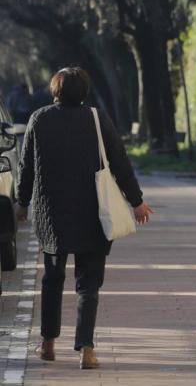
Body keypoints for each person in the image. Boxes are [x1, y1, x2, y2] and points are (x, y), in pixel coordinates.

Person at [15, 67, 153, 369]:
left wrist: (23, 203)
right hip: (93, 212)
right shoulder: (96, 118)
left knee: (52, 279)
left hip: (52, 212)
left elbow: (27, 166)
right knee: (88, 285)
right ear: (85, 92)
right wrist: (137, 201)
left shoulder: (39, 118)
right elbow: (119, 160)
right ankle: (86, 350)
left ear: (55, 91)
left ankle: (48, 343)